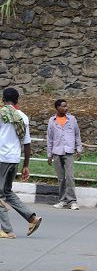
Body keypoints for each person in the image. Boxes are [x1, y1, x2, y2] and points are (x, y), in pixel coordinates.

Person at [0, 88, 42, 239]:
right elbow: (27, 143)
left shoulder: (1, 113)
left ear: (3, 99)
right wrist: (26, 165)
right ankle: (32, 218)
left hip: (2, 158)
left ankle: (7, 230)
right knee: (7, 192)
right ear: (17, 100)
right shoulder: (23, 117)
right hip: (14, 159)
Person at [47, 99, 83, 210]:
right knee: (61, 178)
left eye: (66, 106)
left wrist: (79, 149)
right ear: (57, 107)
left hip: (69, 152)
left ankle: (72, 201)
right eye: (63, 106)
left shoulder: (72, 119)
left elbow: (77, 135)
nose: (66, 108)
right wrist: (49, 155)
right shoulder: (52, 121)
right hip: (57, 152)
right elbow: (49, 138)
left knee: (70, 177)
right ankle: (62, 200)